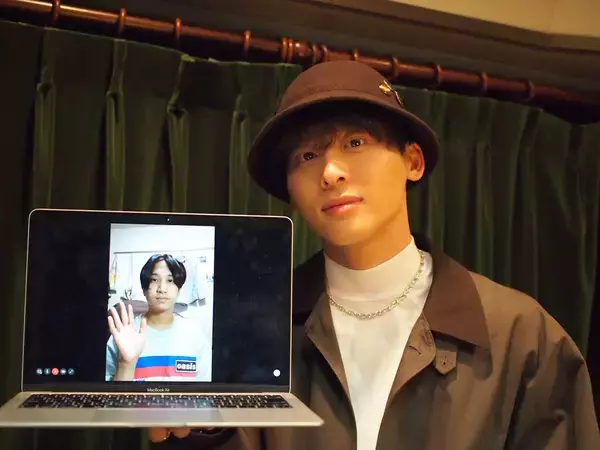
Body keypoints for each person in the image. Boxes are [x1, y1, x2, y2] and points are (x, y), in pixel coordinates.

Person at [148, 61, 600, 449]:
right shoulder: (252, 328)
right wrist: (196, 434)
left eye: (355, 143)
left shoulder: (520, 334)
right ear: (291, 193)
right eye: (307, 155)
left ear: (413, 162)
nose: (330, 172)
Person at [106, 253, 211, 382]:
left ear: (179, 290)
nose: (162, 289)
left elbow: (207, 389)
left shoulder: (194, 335)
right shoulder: (123, 335)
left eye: (170, 280)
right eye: (154, 280)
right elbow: (104, 391)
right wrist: (125, 363)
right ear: (144, 290)